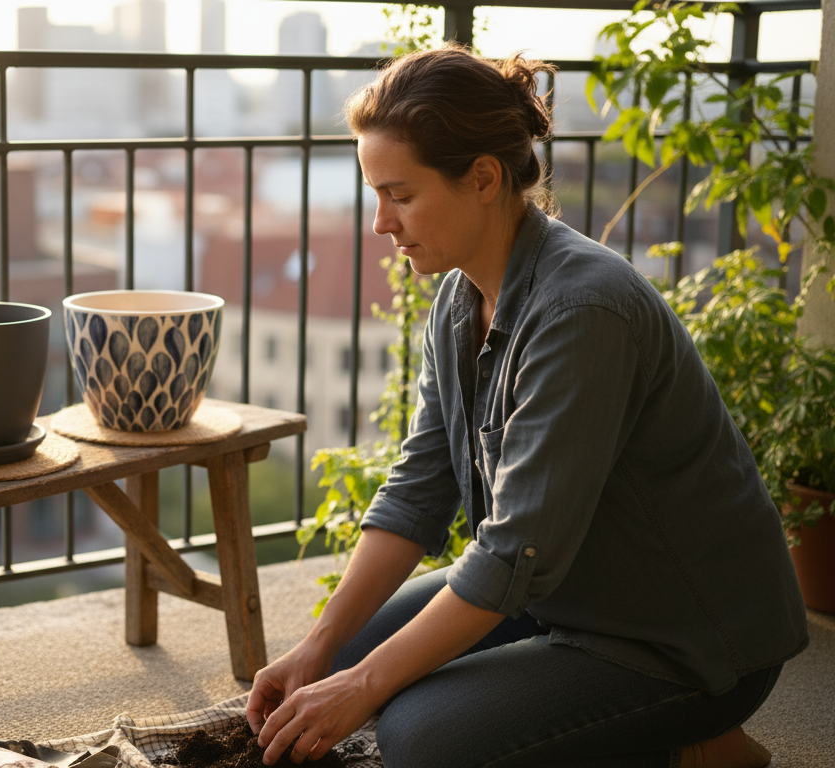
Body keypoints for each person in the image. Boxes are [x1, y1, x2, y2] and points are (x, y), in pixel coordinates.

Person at [245, 46, 809, 768]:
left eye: (401, 195)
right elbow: (418, 491)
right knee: (340, 663)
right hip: (563, 595)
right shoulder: (457, 299)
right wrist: (321, 649)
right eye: (374, 195)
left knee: (418, 737)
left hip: (680, 640)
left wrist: (363, 687)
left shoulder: (583, 309)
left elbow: (515, 553)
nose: (380, 223)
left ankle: (695, 747)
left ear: (483, 177)